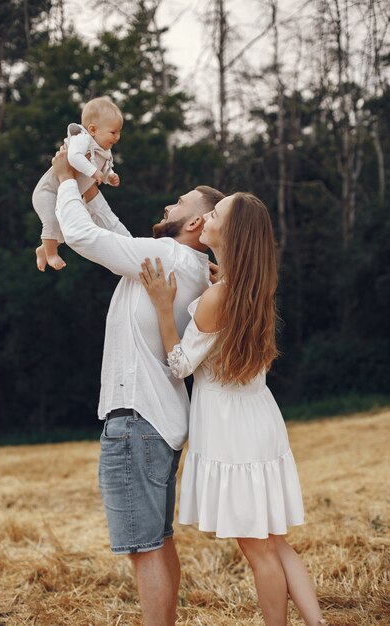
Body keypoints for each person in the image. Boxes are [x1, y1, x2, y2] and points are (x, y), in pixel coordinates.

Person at [51, 145, 224, 626]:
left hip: (135, 423)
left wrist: (66, 178)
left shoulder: (167, 255)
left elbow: (83, 237)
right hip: (159, 424)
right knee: (159, 544)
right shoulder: (182, 264)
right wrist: (92, 190)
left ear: (194, 224)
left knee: (145, 551)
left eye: (181, 200)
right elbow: (117, 237)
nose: (170, 203)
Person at [139, 192, 326, 626]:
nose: (206, 216)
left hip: (230, 428)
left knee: (258, 549)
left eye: (215, 213)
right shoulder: (251, 288)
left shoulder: (217, 297)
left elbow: (181, 364)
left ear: (231, 232)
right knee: (274, 540)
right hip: (259, 418)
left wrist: (165, 311)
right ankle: (317, 623)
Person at [32, 97, 122, 272]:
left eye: (119, 132)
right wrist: (93, 172)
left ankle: (44, 250)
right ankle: (51, 254)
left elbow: (103, 171)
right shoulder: (82, 138)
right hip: (49, 191)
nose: (117, 137)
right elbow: (74, 157)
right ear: (93, 129)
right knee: (51, 221)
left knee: (64, 229)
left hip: (64, 194)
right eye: (113, 132)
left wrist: (109, 176)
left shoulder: (104, 151)